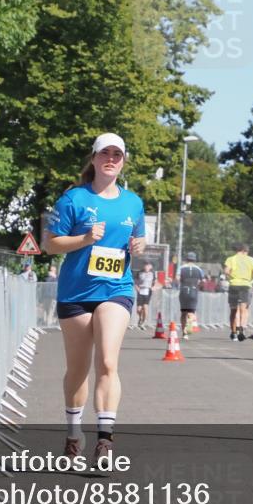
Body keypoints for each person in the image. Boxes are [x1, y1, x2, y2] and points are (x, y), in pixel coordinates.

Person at [44, 133, 146, 465]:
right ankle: (74, 434)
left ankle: (105, 441)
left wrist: (138, 247)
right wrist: (85, 238)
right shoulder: (73, 199)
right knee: (77, 369)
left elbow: (139, 240)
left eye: (117, 154)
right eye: (105, 153)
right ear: (94, 158)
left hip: (115, 289)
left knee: (107, 362)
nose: (111, 159)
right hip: (75, 292)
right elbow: (51, 244)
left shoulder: (133, 202)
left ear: (123, 160)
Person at [224, 243, 253, 342]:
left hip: (234, 285)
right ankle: (242, 329)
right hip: (245, 286)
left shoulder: (231, 259)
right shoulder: (252, 260)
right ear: (245, 251)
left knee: (234, 310)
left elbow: (226, 271)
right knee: (244, 309)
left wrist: (231, 277)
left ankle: (234, 332)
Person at [178, 252, 205, 338]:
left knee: (183, 313)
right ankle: (188, 329)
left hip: (184, 291)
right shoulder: (198, 269)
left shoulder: (181, 268)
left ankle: (184, 331)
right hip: (194, 290)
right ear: (194, 260)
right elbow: (203, 281)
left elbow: (177, 279)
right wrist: (199, 286)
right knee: (191, 312)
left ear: (186, 259)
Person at [135, 262, 155, 328]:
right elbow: (135, 282)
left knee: (145, 307)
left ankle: (144, 321)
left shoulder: (152, 273)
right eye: (145, 266)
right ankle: (140, 317)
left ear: (150, 267)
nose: (146, 267)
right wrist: (137, 288)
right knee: (139, 309)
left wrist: (153, 287)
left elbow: (155, 282)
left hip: (148, 291)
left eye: (148, 266)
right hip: (141, 290)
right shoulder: (139, 273)